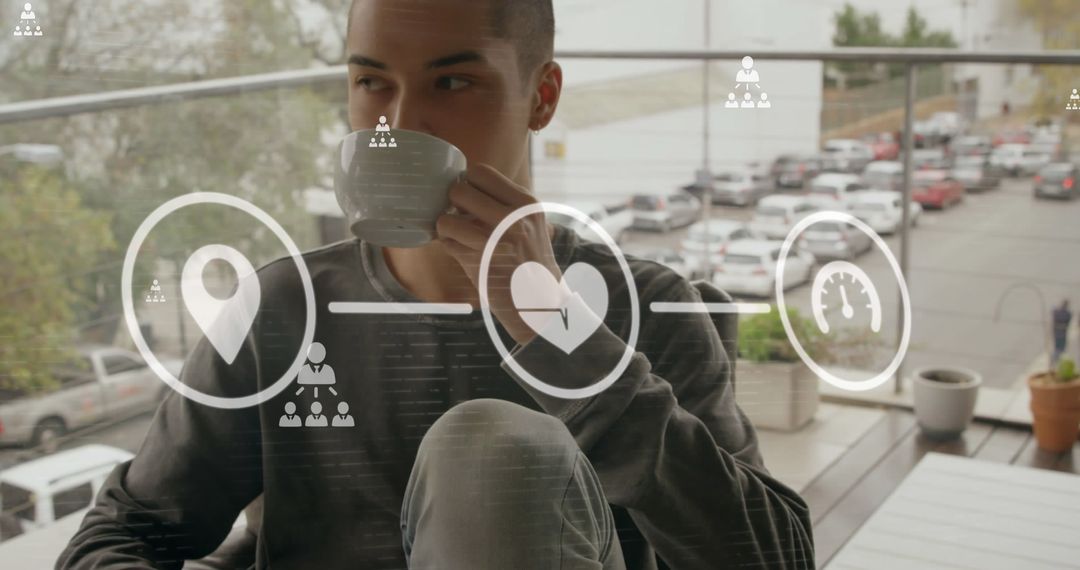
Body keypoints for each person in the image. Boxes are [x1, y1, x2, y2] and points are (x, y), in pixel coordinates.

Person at [59, 1, 814, 568]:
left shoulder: (645, 315)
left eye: (453, 82)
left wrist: (559, 332)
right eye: (370, 83)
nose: (398, 125)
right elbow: (118, 534)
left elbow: (775, 556)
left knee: (491, 454)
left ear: (542, 97)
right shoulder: (280, 312)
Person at [1052, 300, 1072, 365]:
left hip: (1058, 332)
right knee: (1061, 348)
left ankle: (1056, 361)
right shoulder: (1068, 314)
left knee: (1058, 347)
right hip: (1062, 333)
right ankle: (1058, 361)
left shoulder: (1057, 312)